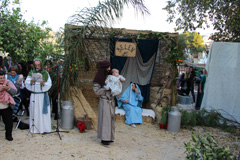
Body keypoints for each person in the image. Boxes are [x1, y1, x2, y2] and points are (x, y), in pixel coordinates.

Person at [25, 58, 52, 134]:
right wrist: (31, 82)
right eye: (36, 65)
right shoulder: (31, 73)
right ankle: (35, 129)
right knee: (35, 112)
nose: (37, 67)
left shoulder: (45, 73)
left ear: (41, 65)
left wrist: (44, 83)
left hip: (42, 96)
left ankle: (44, 128)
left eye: (39, 65)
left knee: (43, 113)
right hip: (34, 96)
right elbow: (26, 83)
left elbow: (49, 84)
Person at [93, 60, 115, 147]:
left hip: (110, 101)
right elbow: (96, 91)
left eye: (110, 67)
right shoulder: (98, 78)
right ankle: (104, 139)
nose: (109, 69)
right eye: (108, 67)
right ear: (104, 68)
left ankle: (109, 137)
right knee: (105, 120)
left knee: (110, 120)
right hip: (104, 101)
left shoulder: (109, 76)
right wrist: (106, 89)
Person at [0, 70, 17, 141]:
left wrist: (8, 89)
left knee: (8, 122)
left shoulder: (8, 83)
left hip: (6, 105)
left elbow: (15, 92)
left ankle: (8, 135)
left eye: (3, 78)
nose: (2, 79)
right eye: (0, 78)